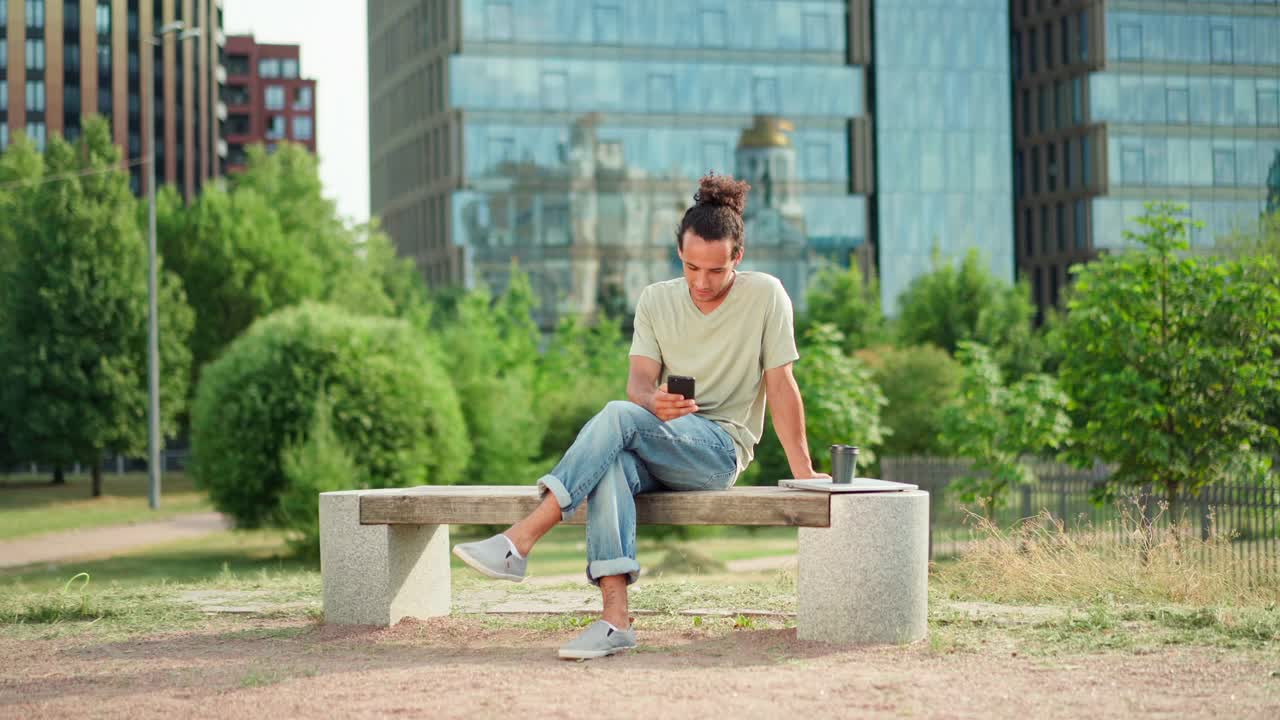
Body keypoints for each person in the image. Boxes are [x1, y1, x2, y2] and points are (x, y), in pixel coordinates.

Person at [452, 172, 829, 660]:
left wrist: (802, 470)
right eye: (691, 267)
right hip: (659, 443)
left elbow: (781, 385)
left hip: (717, 452)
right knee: (612, 461)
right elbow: (637, 387)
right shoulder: (655, 300)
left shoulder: (766, 295)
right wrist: (653, 403)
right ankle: (615, 621)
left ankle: (521, 539)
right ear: (680, 253)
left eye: (715, 271)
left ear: (737, 256)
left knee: (618, 417)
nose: (701, 282)